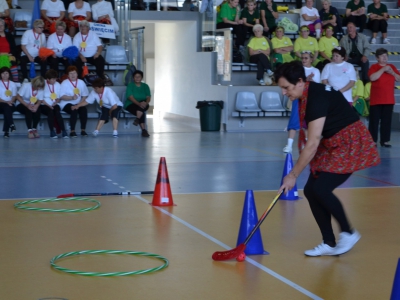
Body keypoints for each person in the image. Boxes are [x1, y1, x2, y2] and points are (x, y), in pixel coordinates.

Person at [276, 61, 380, 256]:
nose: (284, 93)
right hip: (332, 142)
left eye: (286, 88)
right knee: (310, 189)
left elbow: (313, 143)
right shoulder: (306, 94)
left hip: (349, 142)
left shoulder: (316, 97)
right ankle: (329, 243)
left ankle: (349, 233)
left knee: (321, 189)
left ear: (300, 81)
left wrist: (292, 175)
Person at [283, 51, 320, 153]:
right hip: (297, 98)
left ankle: (306, 145)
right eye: (302, 58)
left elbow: (316, 86)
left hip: (309, 99)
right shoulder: (298, 70)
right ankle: (289, 145)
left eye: (306, 58)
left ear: (311, 60)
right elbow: (293, 83)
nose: (303, 60)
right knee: (294, 120)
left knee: (307, 123)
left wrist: (308, 81)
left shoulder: (316, 71)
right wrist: (306, 80)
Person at [368, 48, 400, 147]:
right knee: (374, 121)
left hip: (388, 99)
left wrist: (392, 72)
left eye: (386, 55)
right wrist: (383, 69)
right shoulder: (374, 67)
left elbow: (398, 79)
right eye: (382, 56)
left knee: (386, 122)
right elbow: (372, 78)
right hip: (376, 100)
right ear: (377, 58)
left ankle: (384, 141)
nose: (385, 57)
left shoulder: (392, 67)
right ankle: (373, 141)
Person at [59, 66, 89, 137]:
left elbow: (85, 95)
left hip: (78, 103)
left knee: (83, 110)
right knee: (73, 110)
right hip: (66, 103)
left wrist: (80, 104)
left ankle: (83, 130)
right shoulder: (64, 83)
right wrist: (71, 97)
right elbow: (61, 96)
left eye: (74, 73)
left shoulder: (81, 82)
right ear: (68, 75)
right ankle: (72, 131)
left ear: (77, 74)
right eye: (71, 73)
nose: (73, 75)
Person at [41, 69, 69, 138]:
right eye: (52, 79)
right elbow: (40, 98)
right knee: (50, 112)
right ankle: (52, 131)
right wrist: (48, 105)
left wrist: (56, 101)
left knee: (57, 112)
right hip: (44, 104)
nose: (54, 81)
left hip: (55, 104)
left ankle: (64, 131)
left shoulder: (58, 84)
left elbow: (60, 97)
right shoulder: (43, 84)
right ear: (47, 79)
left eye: (55, 79)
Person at [125, 70, 151, 137]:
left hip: (143, 103)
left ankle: (137, 119)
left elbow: (148, 97)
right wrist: (139, 104)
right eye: (135, 77)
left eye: (139, 77)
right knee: (141, 110)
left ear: (141, 78)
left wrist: (146, 103)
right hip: (131, 104)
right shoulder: (130, 85)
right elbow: (130, 97)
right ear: (133, 78)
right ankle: (144, 130)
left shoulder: (145, 86)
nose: (137, 78)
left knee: (141, 108)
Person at [0, 67, 17, 138]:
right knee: (7, 108)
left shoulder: (13, 84)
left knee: (7, 108)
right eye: (3, 73)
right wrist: (6, 102)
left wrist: (11, 101)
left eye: (6, 73)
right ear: (0, 74)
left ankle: (9, 127)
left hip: (10, 103)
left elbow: (14, 96)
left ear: (9, 74)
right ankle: (10, 127)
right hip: (1, 103)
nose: (5, 75)